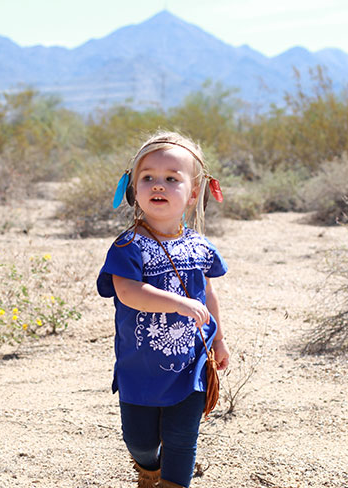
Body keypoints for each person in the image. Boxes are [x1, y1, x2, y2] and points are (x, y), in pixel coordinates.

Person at [96, 130, 229, 488]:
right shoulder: (128, 246)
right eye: (148, 177)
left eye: (172, 179)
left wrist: (219, 341)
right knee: (139, 441)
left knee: (182, 440)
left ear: (193, 193)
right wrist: (180, 303)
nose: (159, 185)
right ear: (133, 189)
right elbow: (129, 293)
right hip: (139, 367)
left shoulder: (200, 246)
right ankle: (148, 468)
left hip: (190, 364)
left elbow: (209, 295)